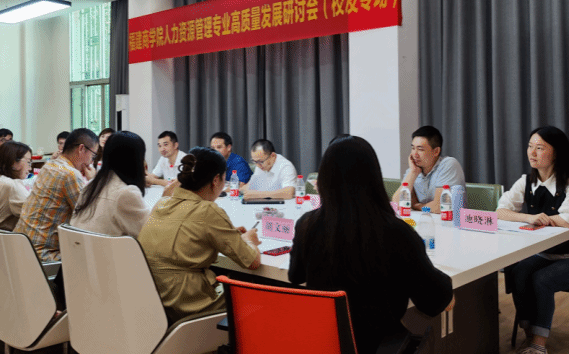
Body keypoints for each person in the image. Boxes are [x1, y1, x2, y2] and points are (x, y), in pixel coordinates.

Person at [289, 135, 454, 354]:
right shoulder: (397, 232)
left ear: (325, 178)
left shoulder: (307, 225)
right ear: (374, 178)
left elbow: (295, 275)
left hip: (323, 342)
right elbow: (434, 300)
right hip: (378, 345)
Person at [496, 126, 569, 354]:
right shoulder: (526, 181)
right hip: (545, 254)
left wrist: (541, 220)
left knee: (541, 279)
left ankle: (538, 346)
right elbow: (500, 211)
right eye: (530, 146)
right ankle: (529, 334)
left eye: (540, 148)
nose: (532, 153)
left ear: (556, 152)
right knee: (518, 272)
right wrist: (528, 217)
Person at [138, 147, 261, 323]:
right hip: (188, 306)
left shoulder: (162, 204)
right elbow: (252, 261)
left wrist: (231, 235)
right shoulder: (208, 210)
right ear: (216, 180)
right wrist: (249, 240)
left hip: (156, 302)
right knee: (258, 296)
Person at [14, 128, 98, 261]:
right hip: (43, 255)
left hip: (20, 246)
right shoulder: (70, 174)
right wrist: (94, 181)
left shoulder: (50, 165)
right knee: (95, 258)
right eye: (93, 156)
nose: (91, 162)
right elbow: (88, 215)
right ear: (81, 149)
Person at [70, 131, 150, 237]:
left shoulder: (91, 185)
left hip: (79, 246)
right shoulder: (126, 193)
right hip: (105, 247)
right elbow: (150, 235)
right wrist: (163, 204)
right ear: (136, 160)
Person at [391, 125, 466, 213]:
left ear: (436, 151)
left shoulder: (448, 164)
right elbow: (397, 203)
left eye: (420, 149)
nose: (415, 154)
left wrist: (416, 205)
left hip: (447, 220)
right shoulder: (413, 170)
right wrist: (413, 173)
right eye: (413, 148)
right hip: (423, 219)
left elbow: (440, 207)